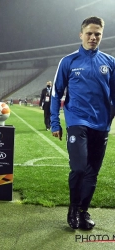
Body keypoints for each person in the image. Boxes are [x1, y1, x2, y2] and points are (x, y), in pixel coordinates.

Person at [50, 16, 115, 230]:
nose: (93, 37)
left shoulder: (110, 62)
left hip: (101, 125)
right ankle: (73, 208)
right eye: (89, 33)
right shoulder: (69, 61)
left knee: (92, 172)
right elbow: (56, 92)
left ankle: (82, 211)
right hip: (77, 121)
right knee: (79, 168)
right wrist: (55, 122)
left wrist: (109, 119)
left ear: (101, 36)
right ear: (81, 35)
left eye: (97, 34)